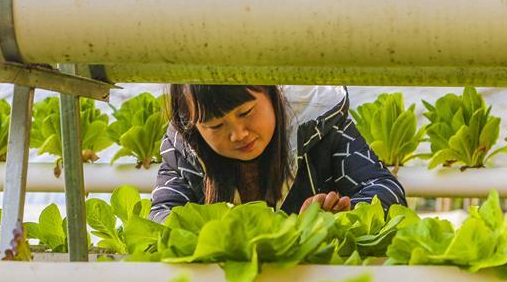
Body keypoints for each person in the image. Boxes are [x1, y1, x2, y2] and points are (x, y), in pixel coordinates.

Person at [149, 84, 407, 223]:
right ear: (193, 125)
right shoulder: (181, 151)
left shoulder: (324, 127)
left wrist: (344, 216)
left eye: (246, 112)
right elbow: (161, 214)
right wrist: (209, 232)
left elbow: (386, 190)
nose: (238, 134)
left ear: (272, 93)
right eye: (215, 126)